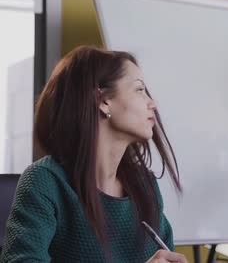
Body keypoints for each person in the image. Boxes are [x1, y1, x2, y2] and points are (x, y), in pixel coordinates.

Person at [0, 46, 188, 263]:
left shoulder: (144, 185)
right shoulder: (44, 181)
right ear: (103, 100)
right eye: (139, 90)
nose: (152, 103)